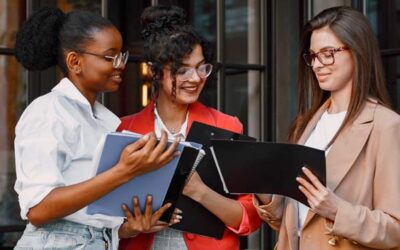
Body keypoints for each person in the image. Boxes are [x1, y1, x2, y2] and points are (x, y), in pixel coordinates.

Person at [13, 7, 180, 250]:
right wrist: (125, 171)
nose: (121, 65)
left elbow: (89, 215)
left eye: (121, 56)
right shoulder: (48, 112)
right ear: (75, 62)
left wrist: (129, 228)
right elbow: (38, 210)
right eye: (110, 57)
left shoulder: (107, 121)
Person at [254, 6, 400, 250]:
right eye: (312, 56)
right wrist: (262, 190)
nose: (318, 64)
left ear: (357, 52)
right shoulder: (306, 124)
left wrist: (337, 210)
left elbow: (396, 229)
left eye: (328, 53)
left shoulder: (386, 126)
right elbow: (296, 222)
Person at [118, 5, 261, 250]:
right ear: (155, 71)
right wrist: (131, 227)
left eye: (201, 67)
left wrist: (199, 192)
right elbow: (104, 220)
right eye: (182, 70)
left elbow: (250, 217)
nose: (195, 79)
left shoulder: (226, 126)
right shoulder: (125, 129)